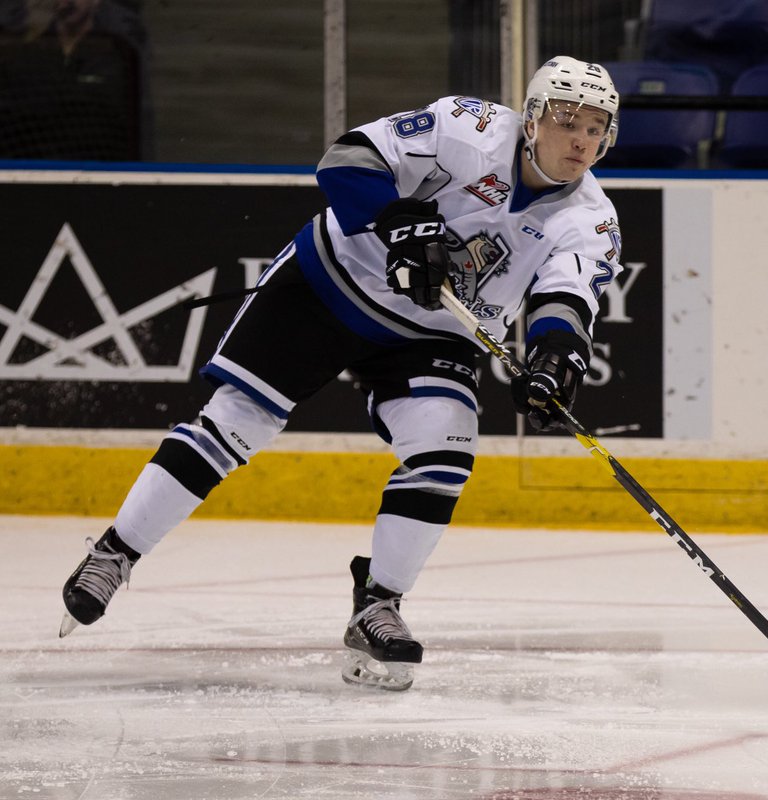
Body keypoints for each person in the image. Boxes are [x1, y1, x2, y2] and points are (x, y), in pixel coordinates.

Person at [58, 55, 625, 691]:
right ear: (531, 120)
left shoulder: (593, 219)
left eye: (596, 126)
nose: (582, 139)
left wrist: (554, 358)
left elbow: (566, 300)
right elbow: (346, 158)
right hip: (331, 282)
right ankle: (115, 551)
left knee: (445, 451)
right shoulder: (465, 127)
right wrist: (399, 218)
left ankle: (378, 604)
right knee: (235, 424)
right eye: (568, 121)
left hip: (431, 331)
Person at [0, 0, 149, 160]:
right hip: (34, 166)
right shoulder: (27, 53)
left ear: (96, 2)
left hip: (99, 167)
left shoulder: (117, 54)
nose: (68, 2)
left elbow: (131, 123)